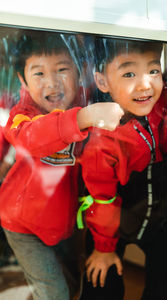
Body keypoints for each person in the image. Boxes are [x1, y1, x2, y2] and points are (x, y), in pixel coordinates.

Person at [0, 31, 124, 300]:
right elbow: (28, 138)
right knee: (54, 292)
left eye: (62, 69)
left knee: (72, 286)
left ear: (79, 73)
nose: (52, 83)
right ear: (23, 79)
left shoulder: (84, 101)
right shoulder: (22, 115)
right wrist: (82, 118)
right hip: (22, 226)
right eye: (38, 74)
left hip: (64, 223)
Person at [78, 37, 167, 300]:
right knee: (101, 282)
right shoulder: (102, 140)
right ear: (103, 82)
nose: (145, 84)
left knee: (166, 282)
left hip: (158, 221)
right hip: (113, 227)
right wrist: (103, 247)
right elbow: (103, 200)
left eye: (153, 70)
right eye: (129, 73)